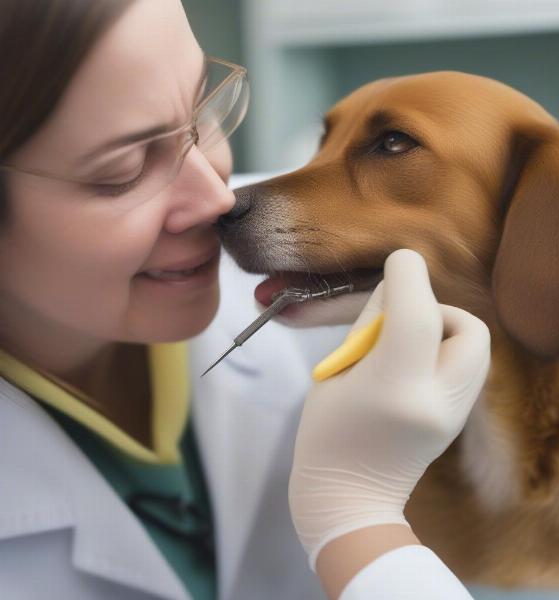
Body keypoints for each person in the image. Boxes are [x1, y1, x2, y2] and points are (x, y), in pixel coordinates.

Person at [0, 1, 490, 599]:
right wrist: (355, 517)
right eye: (122, 169)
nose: (220, 199)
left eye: (201, 114)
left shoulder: (334, 253)